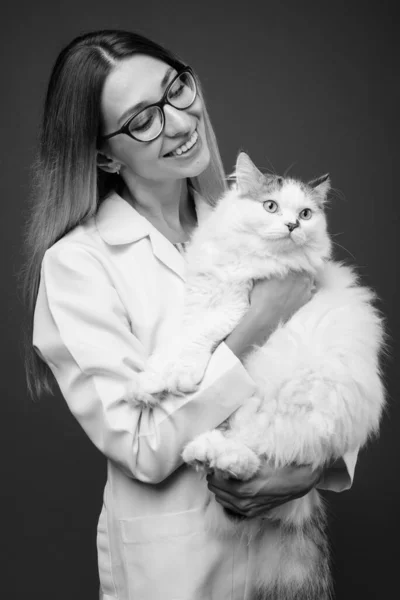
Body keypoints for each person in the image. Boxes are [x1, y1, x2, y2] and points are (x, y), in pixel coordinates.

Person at [22, 30, 358, 600]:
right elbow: (141, 446)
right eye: (142, 121)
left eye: (175, 88)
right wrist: (256, 322)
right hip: (178, 570)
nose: (179, 121)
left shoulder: (257, 223)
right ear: (103, 153)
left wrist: (309, 469)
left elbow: (328, 364)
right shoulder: (79, 264)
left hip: (288, 550)